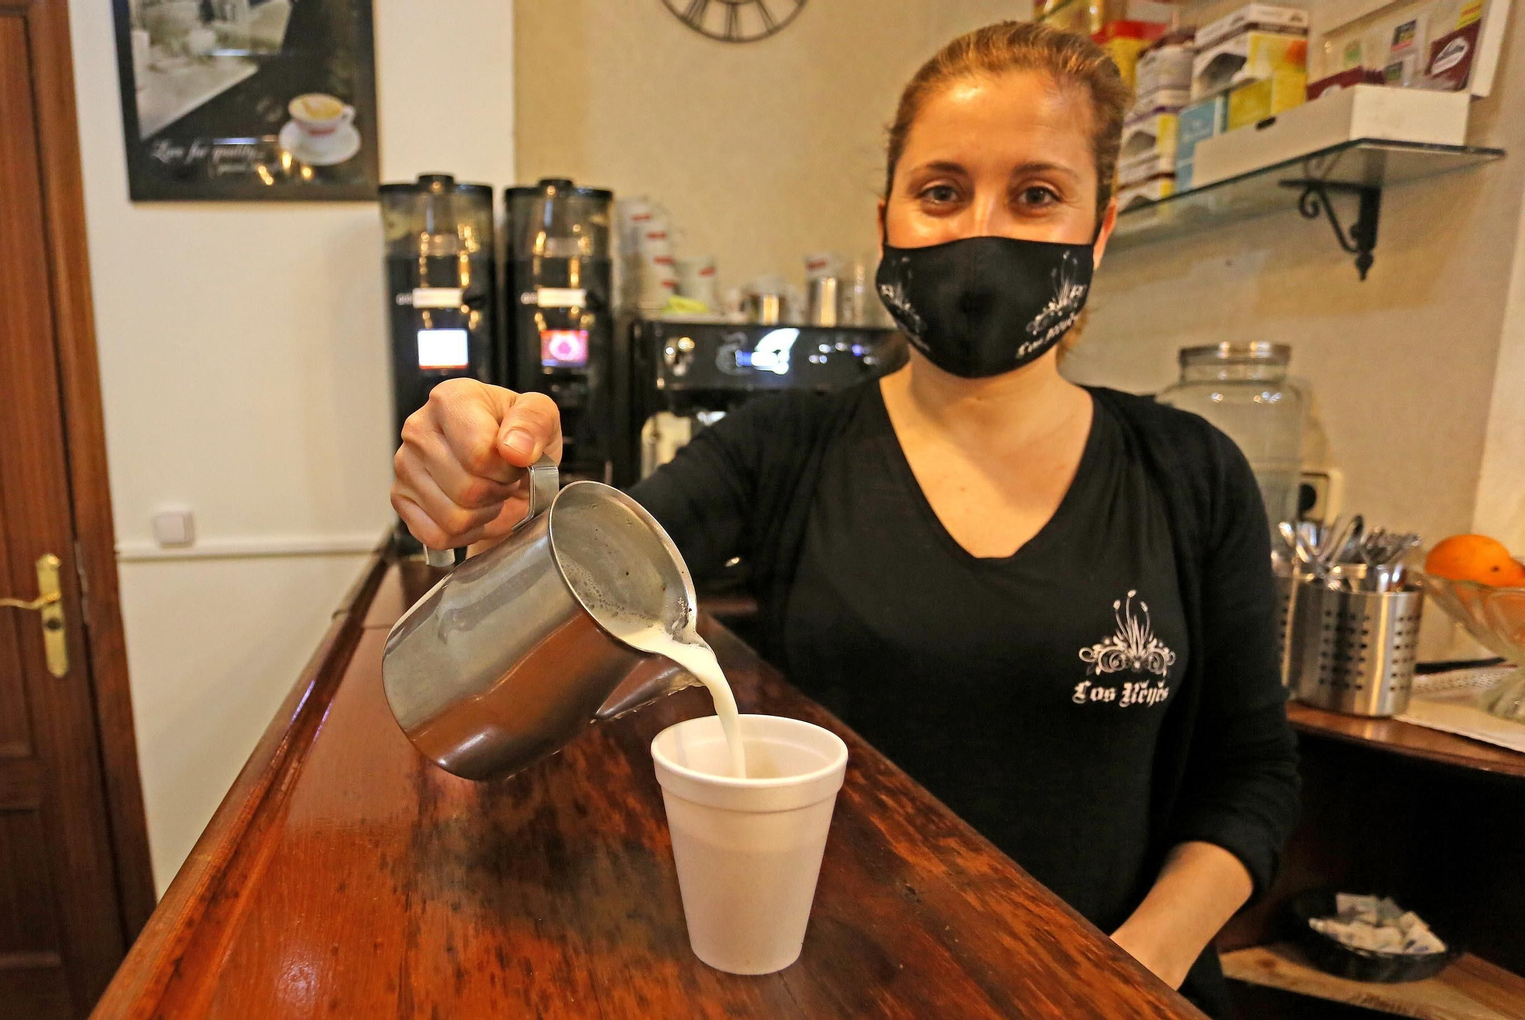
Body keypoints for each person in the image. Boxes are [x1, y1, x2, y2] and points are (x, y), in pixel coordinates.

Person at [390, 22, 1298, 1016]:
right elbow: (592, 583)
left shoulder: (1189, 473)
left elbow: (1248, 771)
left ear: (1101, 227)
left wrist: (1123, 971)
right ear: (887, 223)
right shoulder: (782, 447)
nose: (977, 233)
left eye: (1035, 195)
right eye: (941, 192)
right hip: (837, 988)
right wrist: (500, 512)